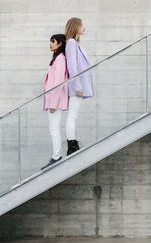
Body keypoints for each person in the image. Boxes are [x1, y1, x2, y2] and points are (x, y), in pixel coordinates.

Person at [65, 17, 94, 155]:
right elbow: (72, 66)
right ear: (75, 26)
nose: (84, 27)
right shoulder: (71, 43)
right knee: (72, 116)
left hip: (79, 85)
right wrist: (77, 86)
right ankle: (71, 145)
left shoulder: (75, 43)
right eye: (82, 25)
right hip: (77, 86)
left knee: (73, 116)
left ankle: (72, 143)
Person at [41, 34, 69, 170]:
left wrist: (52, 103)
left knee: (54, 128)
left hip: (55, 102)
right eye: (50, 41)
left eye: (53, 42)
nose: (50, 44)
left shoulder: (61, 59)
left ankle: (57, 156)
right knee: (53, 128)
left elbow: (58, 83)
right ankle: (55, 155)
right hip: (53, 100)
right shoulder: (57, 59)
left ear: (60, 44)